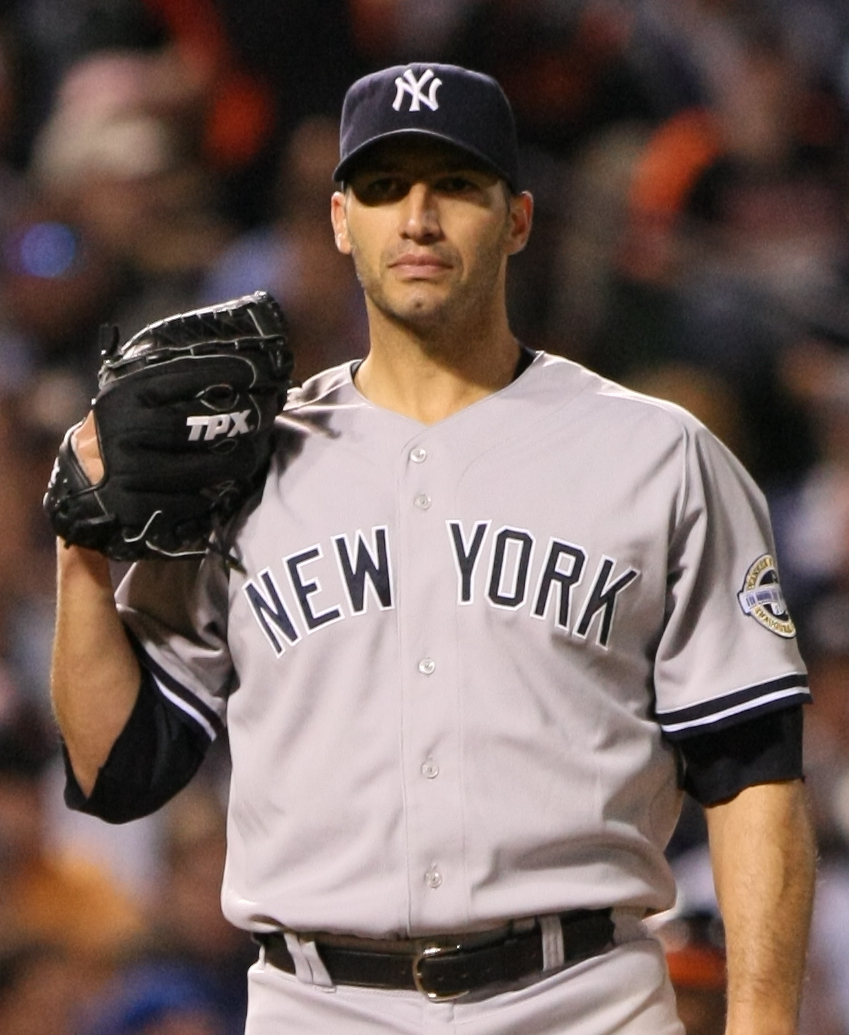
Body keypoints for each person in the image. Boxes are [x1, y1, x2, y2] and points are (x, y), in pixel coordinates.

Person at [49, 62, 816, 1035]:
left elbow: (752, 775)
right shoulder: (244, 464)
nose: (417, 218)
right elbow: (122, 766)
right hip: (316, 1005)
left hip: (582, 1003)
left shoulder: (658, 457)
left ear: (520, 218)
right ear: (339, 221)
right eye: (383, 188)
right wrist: (81, 549)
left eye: (455, 185)